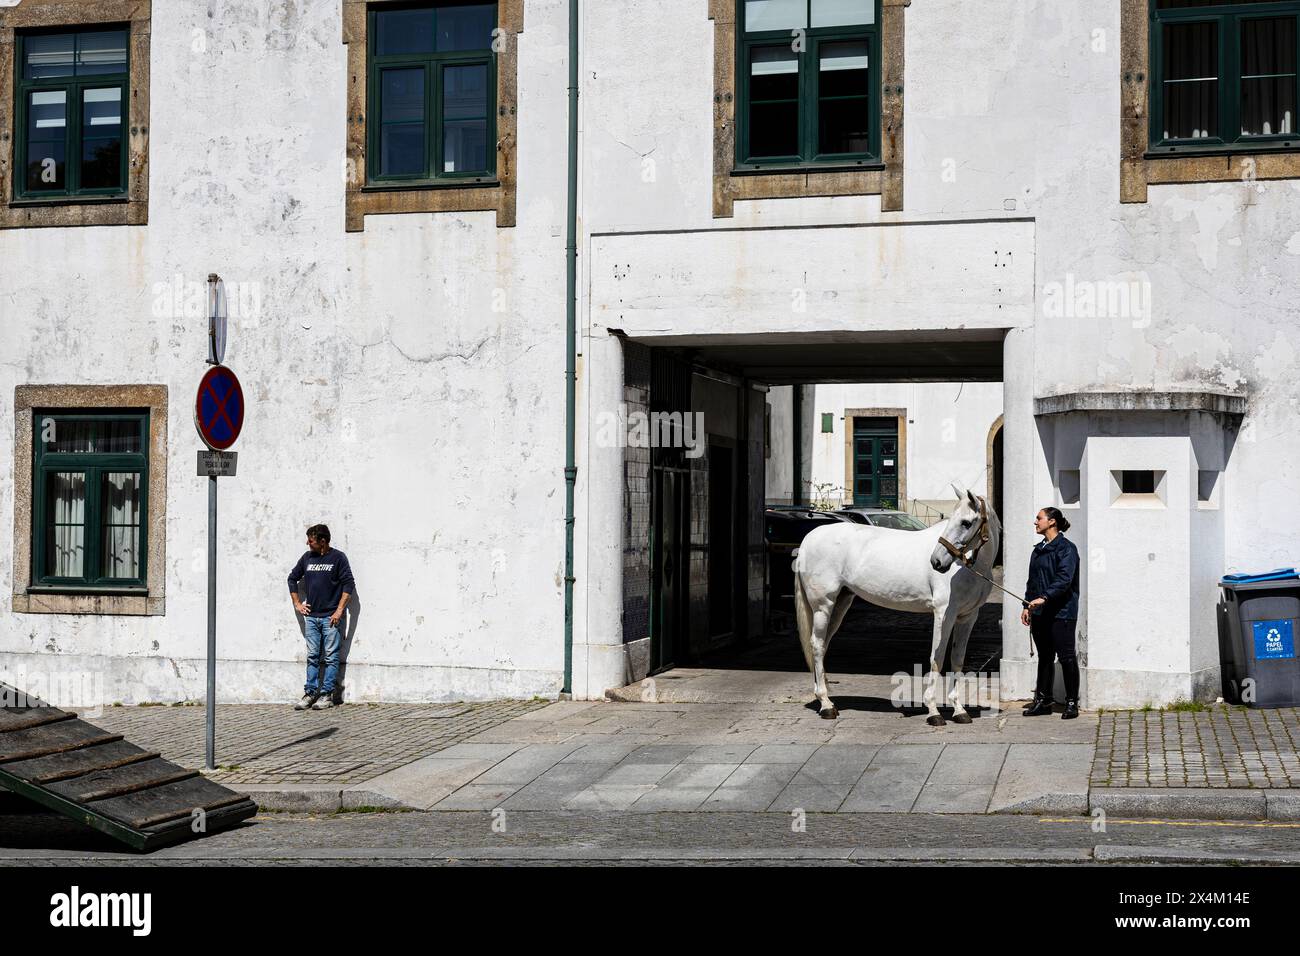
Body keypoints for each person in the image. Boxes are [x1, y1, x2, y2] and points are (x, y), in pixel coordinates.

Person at [287, 524, 355, 710]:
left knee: (332, 657)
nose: (307, 543)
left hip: (330, 617)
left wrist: (340, 610)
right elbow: (292, 579)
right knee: (313, 656)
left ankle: (326, 695)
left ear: (322, 541)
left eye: (311, 541)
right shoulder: (307, 558)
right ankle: (310, 693)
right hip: (312, 618)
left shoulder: (338, 558)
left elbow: (348, 584)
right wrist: (298, 604)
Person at [1021, 506, 1081, 719]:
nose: (1035, 522)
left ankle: (1072, 703)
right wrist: (1027, 606)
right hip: (1040, 613)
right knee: (1045, 657)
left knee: (1066, 657)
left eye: (1039, 518)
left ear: (1052, 522)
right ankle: (1043, 701)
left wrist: (1044, 597)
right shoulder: (1038, 550)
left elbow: (1064, 580)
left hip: (1062, 612)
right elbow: (1032, 582)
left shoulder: (1067, 549)